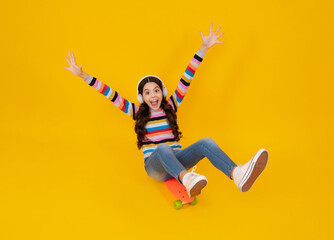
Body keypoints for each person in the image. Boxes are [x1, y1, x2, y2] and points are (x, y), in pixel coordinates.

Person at [64, 22, 269, 198]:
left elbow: (187, 77)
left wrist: (203, 48)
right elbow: (109, 93)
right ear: (142, 97)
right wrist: (84, 76)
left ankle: (237, 174)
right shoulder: (136, 111)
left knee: (206, 142)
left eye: (156, 91)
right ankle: (187, 179)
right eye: (147, 93)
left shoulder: (171, 105)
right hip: (155, 167)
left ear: (162, 92)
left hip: (178, 161)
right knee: (163, 148)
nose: (153, 96)